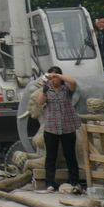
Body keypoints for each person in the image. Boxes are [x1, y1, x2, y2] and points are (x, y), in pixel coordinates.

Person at [34, 66, 84, 194]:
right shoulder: (47, 89)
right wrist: (44, 88)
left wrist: (59, 76)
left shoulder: (66, 89)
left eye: (55, 77)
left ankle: (74, 182)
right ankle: (50, 183)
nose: (53, 79)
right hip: (51, 127)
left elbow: (73, 82)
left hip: (67, 127)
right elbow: (39, 102)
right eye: (51, 76)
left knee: (70, 156)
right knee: (51, 157)